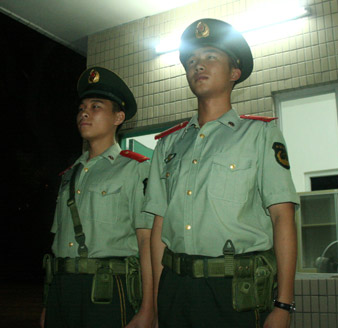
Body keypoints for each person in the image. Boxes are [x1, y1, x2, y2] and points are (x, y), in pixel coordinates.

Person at [144, 19, 298, 328]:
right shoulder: (169, 145)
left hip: (235, 291)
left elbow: (283, 217)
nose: (197, 66)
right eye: (191, 61)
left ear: (234, 73)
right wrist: (158, 304)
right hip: (176, 287)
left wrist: (283, 304)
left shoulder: (260, 134)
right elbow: (159, 225)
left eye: (210, 57)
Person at [40, 67, 153, 328]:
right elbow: (58, 245)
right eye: (81, 107)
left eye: (96, 106)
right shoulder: (69, 175)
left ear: (119, 117)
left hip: (108, 291)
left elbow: (146, 240)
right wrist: (49, 302)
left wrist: (149, 308)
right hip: (62, 291)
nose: (84, 113)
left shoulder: (135, 168)